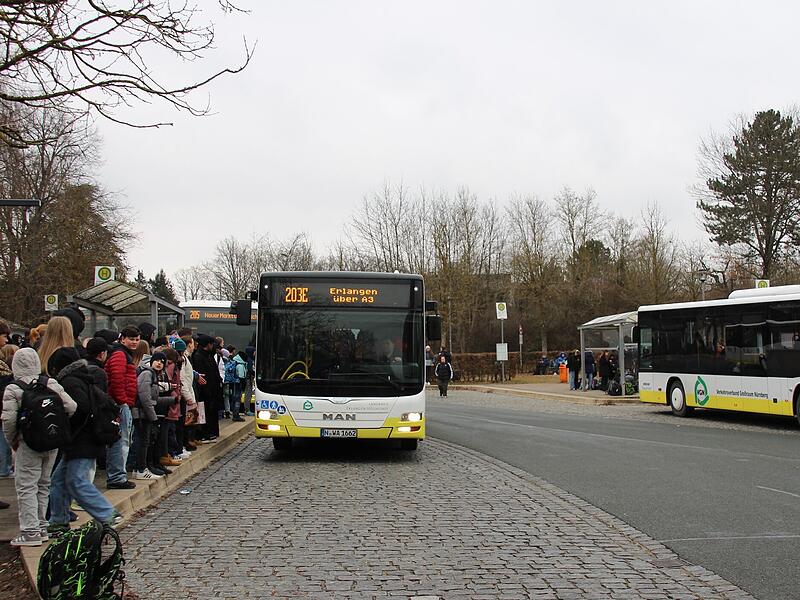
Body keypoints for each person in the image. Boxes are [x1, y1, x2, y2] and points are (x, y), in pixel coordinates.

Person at [2, 348, 77, 546]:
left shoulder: (13, 389)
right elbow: (71, 406)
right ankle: (42, 526)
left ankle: (30, 531)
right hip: (52, 441)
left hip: (27, 443)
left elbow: (8, 420)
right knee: (44, 484)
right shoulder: (49, 383)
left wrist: (13, 440)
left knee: (26, 486)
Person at [46, 348, 120, 536]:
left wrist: (66, 427)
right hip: (86, 438)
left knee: (75, 480)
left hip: (82, 439)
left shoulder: (69, 382)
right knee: (59, 480)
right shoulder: (82, 378)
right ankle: (58, 521)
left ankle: (108, 513)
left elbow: (81, 409)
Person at [104, 325, 141, 490]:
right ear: (122, 339)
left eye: (137, 339)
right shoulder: (120, 354)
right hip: (120, 404)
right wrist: (123, 401)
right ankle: (117, 477)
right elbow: (117, 378)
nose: (134, 342)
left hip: (122, 402)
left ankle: (118, 475)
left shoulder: (122, 353)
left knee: (122, 440)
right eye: (131, 339)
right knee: (121, 441)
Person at [193, 334, 221, 441]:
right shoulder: (198, 356)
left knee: (211, 412)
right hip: (205, 391)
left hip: (212, 390)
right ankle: (205, 433)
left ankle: (212, 431)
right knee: (205, 413)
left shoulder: (208, 355)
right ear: (208, 344)